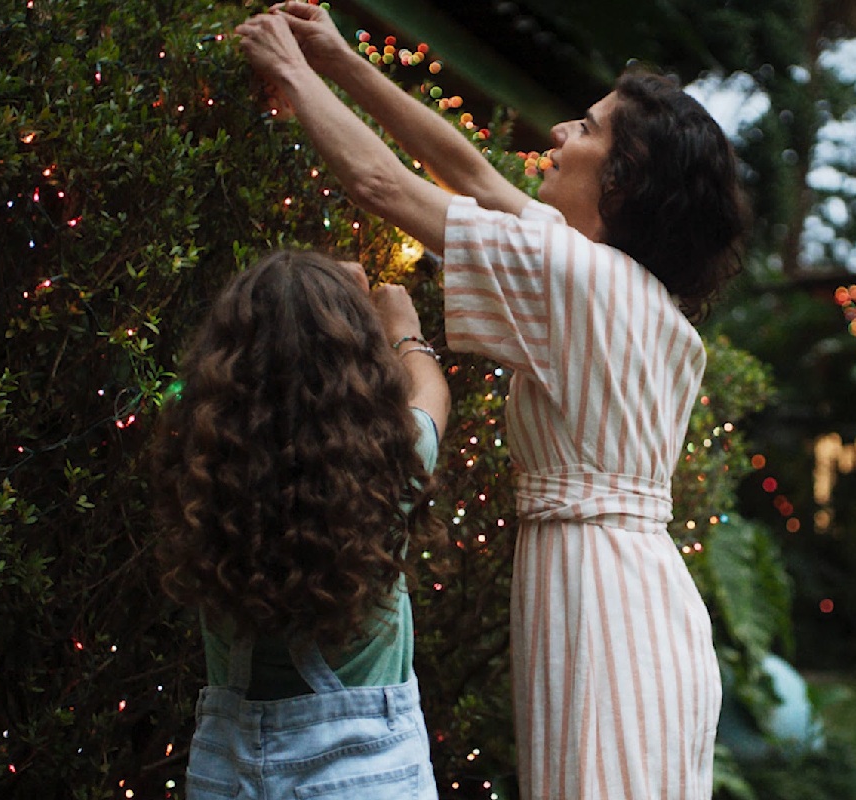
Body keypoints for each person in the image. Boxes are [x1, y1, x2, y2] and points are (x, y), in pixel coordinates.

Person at [237, 5, 748, 799]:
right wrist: (340, 60)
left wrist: (294, 72)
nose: (557, 134)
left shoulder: (577, 280)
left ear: (625, 177)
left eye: (586, 128)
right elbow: (470, 174)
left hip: (602, 604)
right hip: (642, 594)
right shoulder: (632, 289)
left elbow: (383, 184)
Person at [150, 250, 449, 799]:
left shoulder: (201, 462)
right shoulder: (391, 464)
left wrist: (302, 304)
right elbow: (432, 395)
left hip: (231, 774)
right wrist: (400, 331)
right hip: (369, 773)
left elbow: (193, 395)